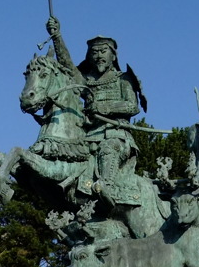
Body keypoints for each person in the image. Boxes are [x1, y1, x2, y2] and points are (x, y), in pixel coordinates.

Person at [46, 16, 146, 207]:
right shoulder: (87, 81)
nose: (99, 55)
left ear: (113, 56)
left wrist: (103, 108)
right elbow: (68, 68)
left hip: (116, 136)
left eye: (103, 51)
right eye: (94, 52)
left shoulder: (123, 78)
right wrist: (57, 36)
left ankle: (106, 188)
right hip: (89, 136)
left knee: (108, 148)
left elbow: (133, 106)